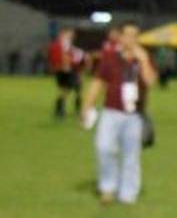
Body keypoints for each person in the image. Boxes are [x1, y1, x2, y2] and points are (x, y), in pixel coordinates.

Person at [81, 20, 158, 205]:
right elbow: (98, 83)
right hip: (111, 111)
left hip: (134, 115)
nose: (131, 39)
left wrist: (144, 60)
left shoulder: (144, 58)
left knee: (131, 155)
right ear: (121, 37)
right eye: (127, 35)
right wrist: (87, 105)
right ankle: (108, 187)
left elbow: (150, 82)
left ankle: (128, 193)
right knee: (104, 147)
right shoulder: (110, 57)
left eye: (134, 35)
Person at [47, 27, 84, 118]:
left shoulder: (60, 44)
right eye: (70, 33)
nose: (72, 35)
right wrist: (66, 65)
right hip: (67, 70)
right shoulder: (63, 43)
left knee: (65, 90)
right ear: (64, 33)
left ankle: (61, 111)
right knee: (71, 89)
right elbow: (65, 55)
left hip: (64, 70)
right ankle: (63, 110)